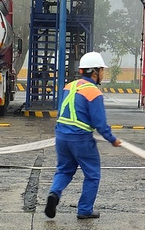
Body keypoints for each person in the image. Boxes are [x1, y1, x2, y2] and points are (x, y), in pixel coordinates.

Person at [44, 51, 122, 220]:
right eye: (102, 70)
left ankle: (54, 194)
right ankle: (85, 210)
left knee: (64, 170)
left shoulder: (69, 86)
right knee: (92, 175)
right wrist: (113, 139)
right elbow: (100, 123)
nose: (103, 73)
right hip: (81, 139)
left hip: (61, 136)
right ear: (94, 72)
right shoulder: (93, 92)